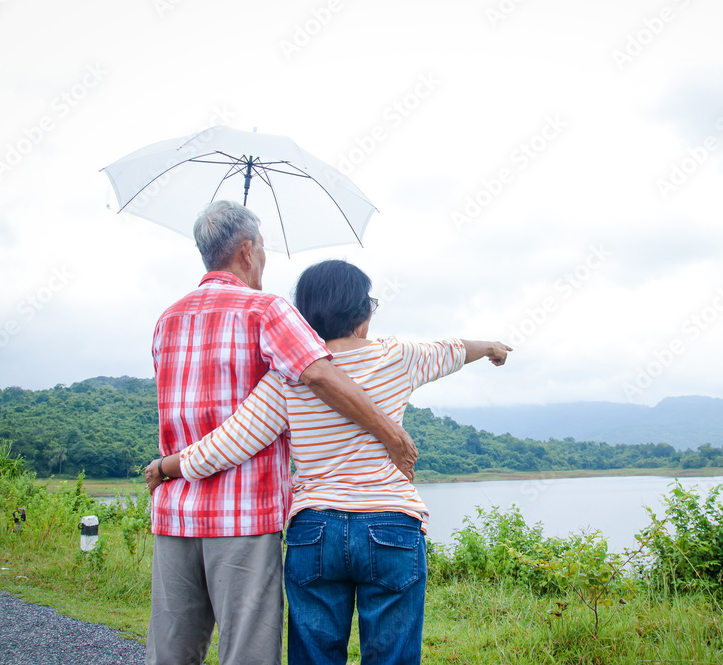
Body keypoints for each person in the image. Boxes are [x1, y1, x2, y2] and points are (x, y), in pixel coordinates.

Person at [148, 259, 511, 664]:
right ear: (363, 313)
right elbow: (455, 350)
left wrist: (168, 466)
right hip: (390, 521)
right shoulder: (398, 357)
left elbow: (230, 443)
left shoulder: (288, 377)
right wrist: (492, 348)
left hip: (314, 529)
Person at [144, 202, 419, 665]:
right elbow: (321, 375)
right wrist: (391, 434)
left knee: (171, 651)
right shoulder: (267, 309)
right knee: (246, 651)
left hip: (175, 511)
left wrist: (168, 467)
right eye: (264, 249)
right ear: (248, 251)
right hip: (242, 516)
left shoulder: (166, 320)